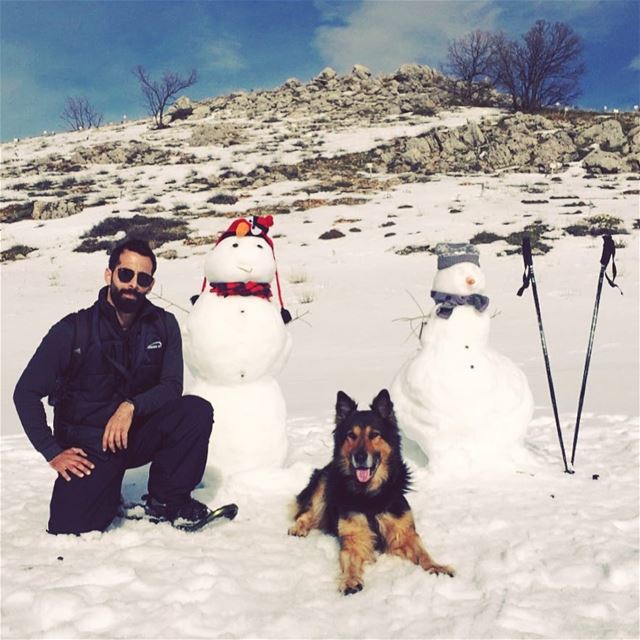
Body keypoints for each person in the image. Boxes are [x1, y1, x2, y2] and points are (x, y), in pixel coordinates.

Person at [14, 238, 214, 535]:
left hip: (135, 434)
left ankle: (167, 498)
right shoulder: (73, 329)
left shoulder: (163, 324)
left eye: (142, 279)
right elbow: (26, 393)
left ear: (150, 284)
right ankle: (105, 488)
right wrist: (52, 451)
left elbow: (172, 386)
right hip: (90, 447)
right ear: (109, 274)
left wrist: (130, 406)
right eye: (125, 274)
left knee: (194, 411)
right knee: (70, 526)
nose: (133, 284)